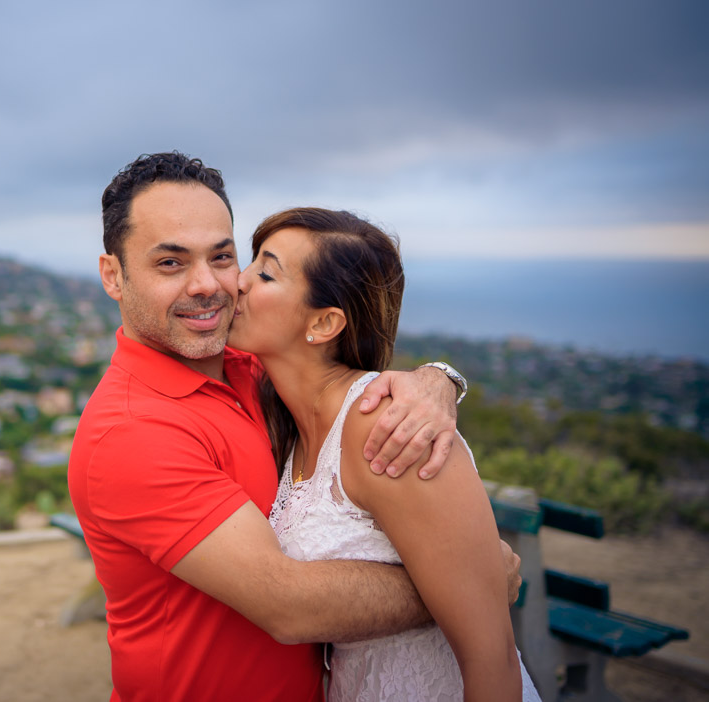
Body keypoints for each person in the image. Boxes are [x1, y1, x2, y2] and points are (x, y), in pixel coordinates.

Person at [68, 151, 520, 702]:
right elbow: (289, 606)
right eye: (171, 263)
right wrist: (468, 584)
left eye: (224, 256)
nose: (210, 285)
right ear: (113, 275)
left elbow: (338, 368)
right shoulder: (131, 430)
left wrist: (438, 380)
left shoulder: (258, 373)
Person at [228, 206, 541, 701]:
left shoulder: (391, 430)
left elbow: (492, 657)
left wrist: (439, 380)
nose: (237, 282)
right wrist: (442, 374)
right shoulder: (285, 419)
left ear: (325, 322)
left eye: (264, 273)